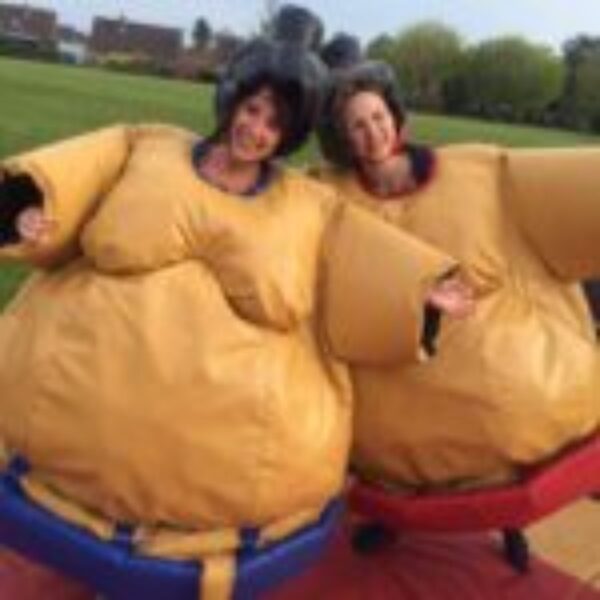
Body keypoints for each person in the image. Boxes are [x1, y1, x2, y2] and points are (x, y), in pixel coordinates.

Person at [0, 7, 465, 597]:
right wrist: (31, 210)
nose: (256, 129)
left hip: (223, 454)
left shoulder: (306, 203)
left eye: (274, 124)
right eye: (252, 109)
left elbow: (359, 249)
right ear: (232, 100)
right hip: (78, 397)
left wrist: (420, 287)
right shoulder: (151, 146)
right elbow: (69, 179)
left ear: (287, 137)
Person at [314, 34, 600, 491]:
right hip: (401, 436)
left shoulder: (475, 171)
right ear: (343, 139)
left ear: (395, 116)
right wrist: (410, 293)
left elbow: (559, 193)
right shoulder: (329, 198)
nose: (373, 133)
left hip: (531, 396)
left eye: (378, 117)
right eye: (357, 126)